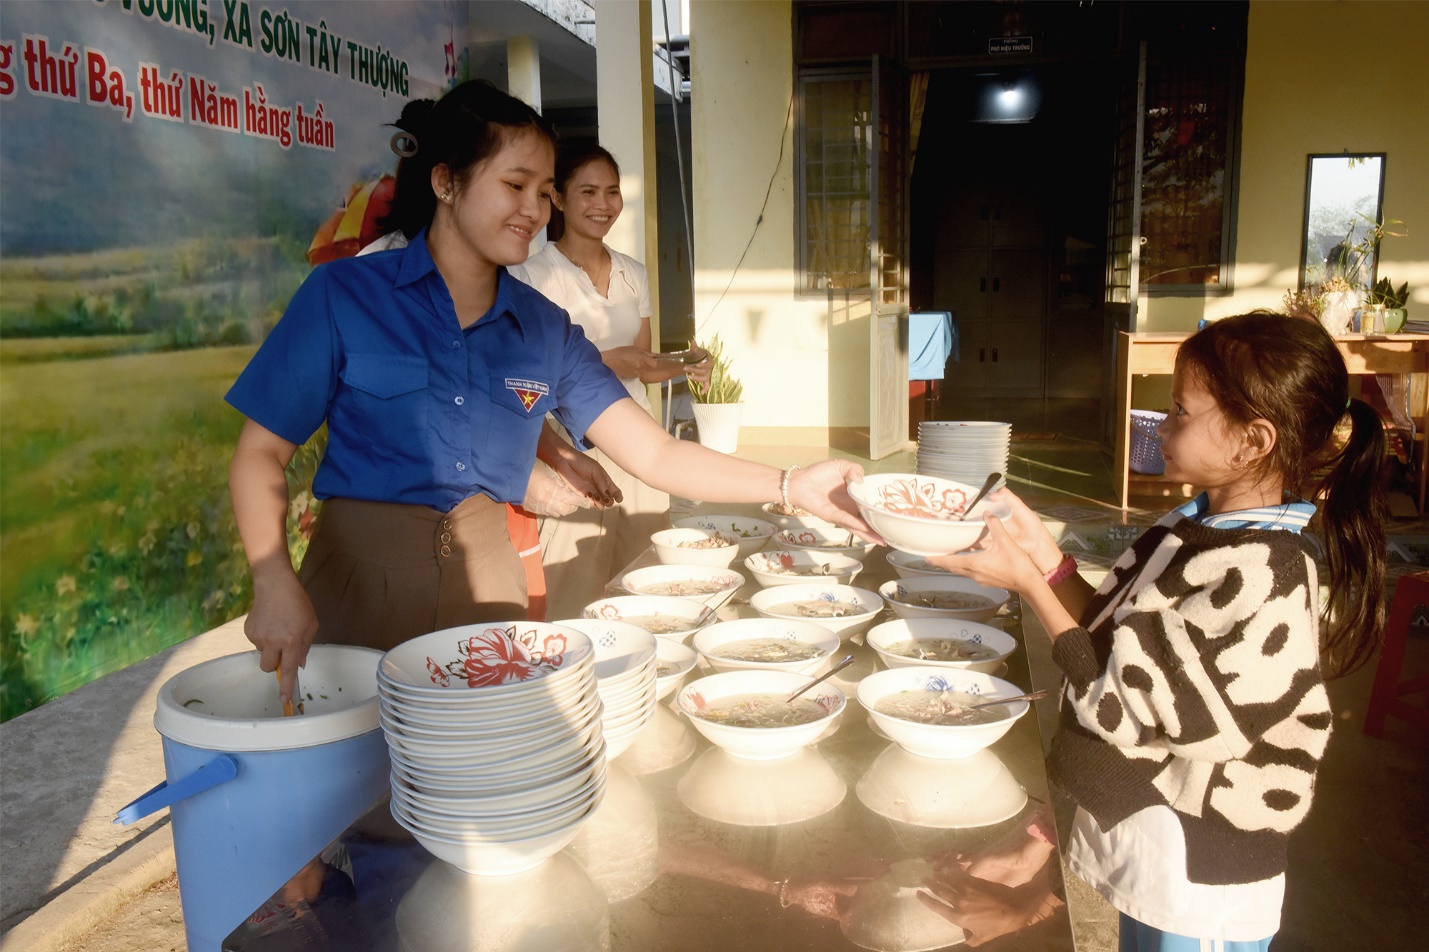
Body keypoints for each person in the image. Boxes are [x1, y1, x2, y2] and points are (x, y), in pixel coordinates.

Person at [226, 79, 877, 707]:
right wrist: (271, 576)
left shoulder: (543, 330)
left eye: (543, 191)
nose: (534, 210)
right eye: (514, 185)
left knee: (481, 783)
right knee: (359, 788)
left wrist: (794, 486)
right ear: (446, 181)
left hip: (486, 589)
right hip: (355, 582)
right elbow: (260, 454)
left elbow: (655, 455)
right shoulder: (346, 296)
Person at [934, 311, 1387, 951]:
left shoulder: (1269, 571)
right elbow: (1121, 642)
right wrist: (1043, 553)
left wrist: (1031, 587)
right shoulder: (1195, 526)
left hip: (1198, 875)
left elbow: (1125, 702)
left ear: (1252, 441)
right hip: (1153, 846)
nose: (1161, 424)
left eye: (1180, 410)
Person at [509, 139, 710, 620]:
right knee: (574, 566)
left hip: (634, 429)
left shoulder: (633, 273)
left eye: (613, 192)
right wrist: (603, 359)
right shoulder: (531, 275)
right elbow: (525, 375)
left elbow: (643, 364)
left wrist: (686, 364)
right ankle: (569, 665)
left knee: (642, 558)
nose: (603, 205)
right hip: (569, 435)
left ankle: (639, 656)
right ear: (557, 198)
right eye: (588, 192)